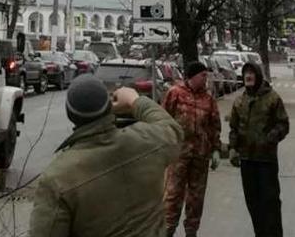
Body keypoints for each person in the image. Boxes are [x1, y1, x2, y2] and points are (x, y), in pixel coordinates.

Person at [28, 76, 182, 237]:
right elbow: (172, 129)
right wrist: (134, 101)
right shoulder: (147, 141)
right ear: (110, 107)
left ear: (70, 114)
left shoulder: (58, 177)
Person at [228, 61, 290, 237]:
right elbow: (234, 127)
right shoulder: (239, 100)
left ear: (258, 76)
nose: (248, 76)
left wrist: (270, 138)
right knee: (253, 203)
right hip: (247, 160)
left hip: (266, 160)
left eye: (251, 73)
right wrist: (233, 148)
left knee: (270, 203)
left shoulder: (272, 98)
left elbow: (283, 124)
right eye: (245, 73)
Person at [162, 61, 222, 237]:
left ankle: (191, 232)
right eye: (203, 75)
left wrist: (216, 149)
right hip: (178, 156)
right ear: (193, 76)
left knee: (196, 199)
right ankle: (167, 230)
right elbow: (163, 118)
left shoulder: (208, 99)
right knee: (173, 197)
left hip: (200, 157)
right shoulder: (175, 93)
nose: (206, 78)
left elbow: (214, 126)